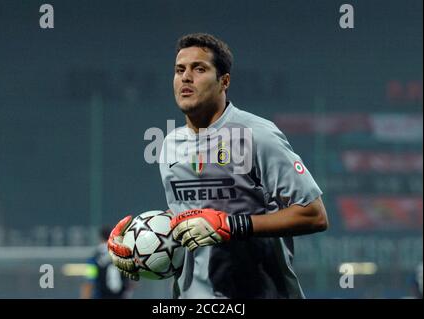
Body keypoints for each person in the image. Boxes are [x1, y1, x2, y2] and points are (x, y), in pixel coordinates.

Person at [108, 33, 329, 298]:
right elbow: (191, 214)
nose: (186, 77)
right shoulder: (169, 145)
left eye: (199, 68)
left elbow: (314, 215)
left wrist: (232, 225)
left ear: (224, 81)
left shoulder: (256, 135)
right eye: (180, 70)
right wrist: (142, 244)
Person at [80, 226, 133, 299]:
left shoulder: (94, 258)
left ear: (100, 238)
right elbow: (131, 281)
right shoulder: (123, 255)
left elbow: (90, 280)